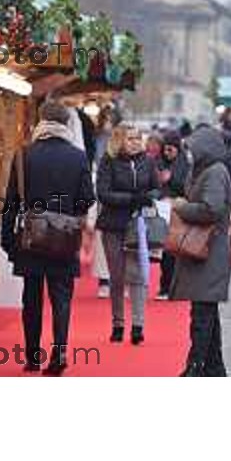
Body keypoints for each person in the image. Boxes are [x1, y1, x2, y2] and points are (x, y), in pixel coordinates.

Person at [1, 101, 95, 376]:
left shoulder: (24, 155)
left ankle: (32, 357)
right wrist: (67, 215)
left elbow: (11, 203)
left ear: (41, 122)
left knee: (31, 298)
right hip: (64, 239)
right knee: (61, 298)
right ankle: (60, 354)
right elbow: (87, 198)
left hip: (31, 239)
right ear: (66, 124)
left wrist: (9, 241)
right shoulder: (78, 157)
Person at [170, 126, 231, 377]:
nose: (189, 154)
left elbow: (211, 209)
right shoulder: (205, 170)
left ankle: (195, 368)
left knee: (202, 316)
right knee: (207, 312)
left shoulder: (215, 172)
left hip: (210, 253)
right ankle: (215, 367)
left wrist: (183, 207)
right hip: (204, 252)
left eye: (192, 149)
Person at [96, 123, 160, 345]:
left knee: (139, 274)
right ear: (119, 140)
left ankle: (138, 325)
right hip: (113, 224)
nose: (135, 142)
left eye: (137, 138)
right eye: (130, 138)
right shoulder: (108, 161)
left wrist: (147, 196)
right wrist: (131, 199)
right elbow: (103, 193)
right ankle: (117, 323)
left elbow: (157, 187)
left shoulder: (148, 161)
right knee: (117, 276)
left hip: (138, 224)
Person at [156, 130, 190, 300]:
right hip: (162, 211)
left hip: (179, 212)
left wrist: (170, 180)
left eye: (171, 150)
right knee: (165, 252)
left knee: (178, 250)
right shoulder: (158, 162)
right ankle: (165, 286)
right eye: (165, 150)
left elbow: (187, 188)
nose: (167, 153)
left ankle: (177, 287)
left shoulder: (185, 164)